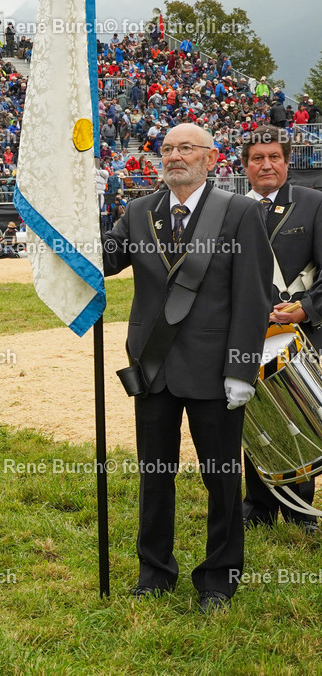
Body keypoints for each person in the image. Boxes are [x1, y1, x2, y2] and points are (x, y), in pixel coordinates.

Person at [103, 124, 271, 614]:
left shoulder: (240, 212)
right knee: (155, 475)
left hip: (216, 371)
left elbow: (254, 296)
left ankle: (219, 579)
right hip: (153, 367)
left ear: (211, 159)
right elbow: (108, 259)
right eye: (168, 149)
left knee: (221, 479)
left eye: (186, 148)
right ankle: (154, 571)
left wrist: (242, 367)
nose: (175, 156)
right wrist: (67, 223)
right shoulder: (139, 211)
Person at [240, 125, 322, 533]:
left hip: (299, 336)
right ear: (246, 166)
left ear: (287, 163)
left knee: (295, 414)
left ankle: (299, 507)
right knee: (252, 414)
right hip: (247, 336)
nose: (267, 165)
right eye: (258, 158)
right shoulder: (231, 209)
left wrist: (305, 309)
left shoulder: (313, 204)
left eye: (274, 157)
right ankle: (257, 505)